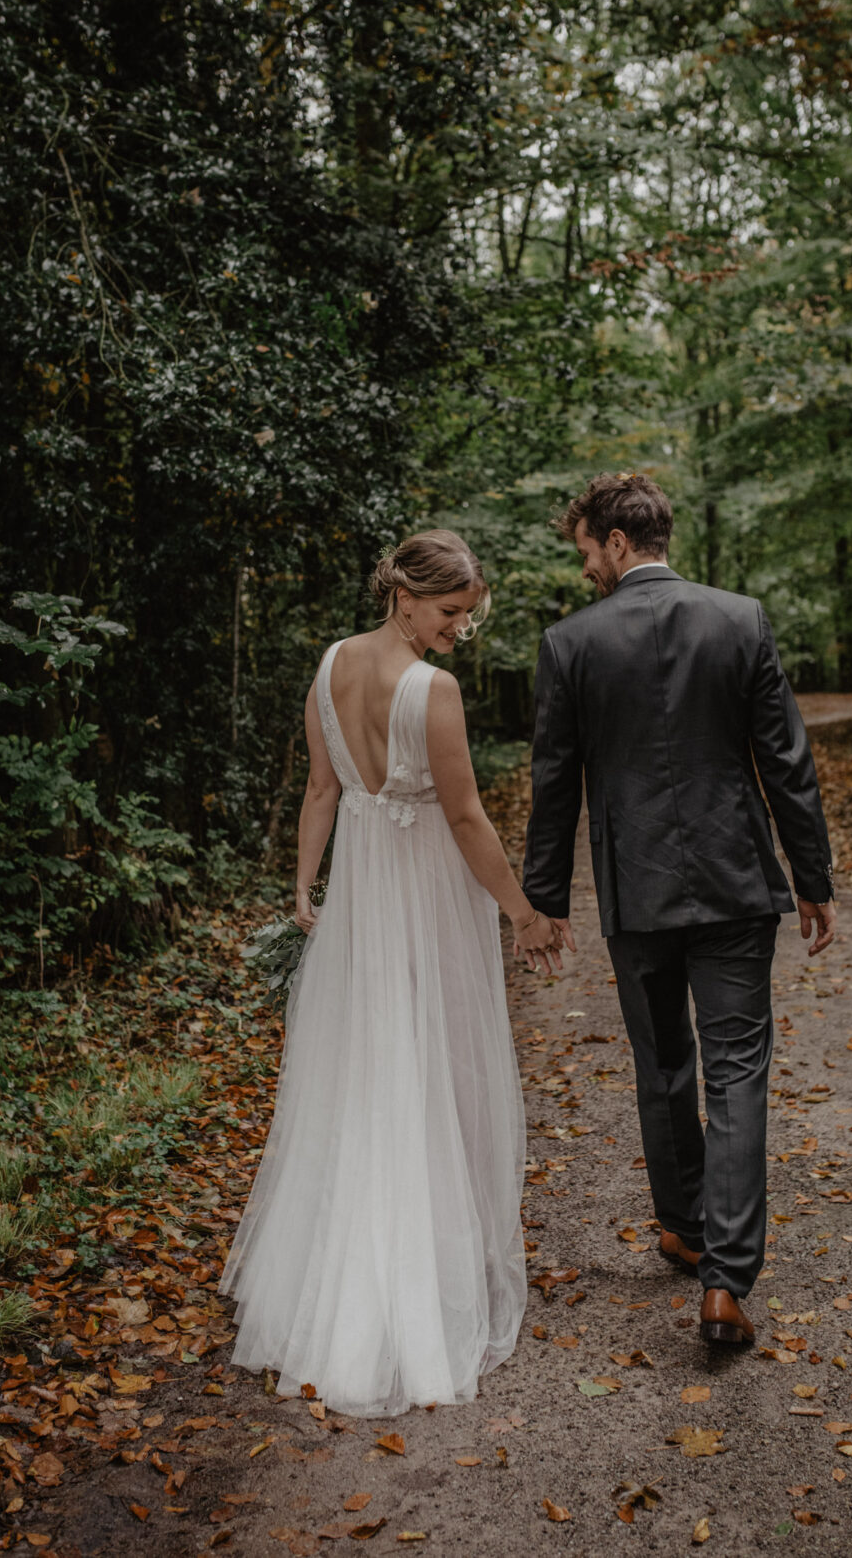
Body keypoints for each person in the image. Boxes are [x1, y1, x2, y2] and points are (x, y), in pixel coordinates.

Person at [219, 530, 562, 1416]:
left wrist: (306, 886)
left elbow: (323, 792)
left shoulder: (329, 665)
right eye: (451, 614)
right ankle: (407, 1289)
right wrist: (521, 914)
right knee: (429, 1070)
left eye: (467, 618)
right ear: (404, 596)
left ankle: (343, 1276)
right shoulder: (431, 690)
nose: (459, 632)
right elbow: (467, 819)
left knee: (371, 1071)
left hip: (362, 901)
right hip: (422, 905)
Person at [521, 473, 836, 1347]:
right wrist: (812, 877)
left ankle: (688, 1230)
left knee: (663, 1065)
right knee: (737, 1071)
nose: (585, 566)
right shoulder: (739, 620)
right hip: (735, 880)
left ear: (619, 543)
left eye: (587, 550)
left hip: (638, 888)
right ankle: (727, 1281)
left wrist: (544, 900)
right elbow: (786, 762)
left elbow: (554, 787)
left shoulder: (569, 643)